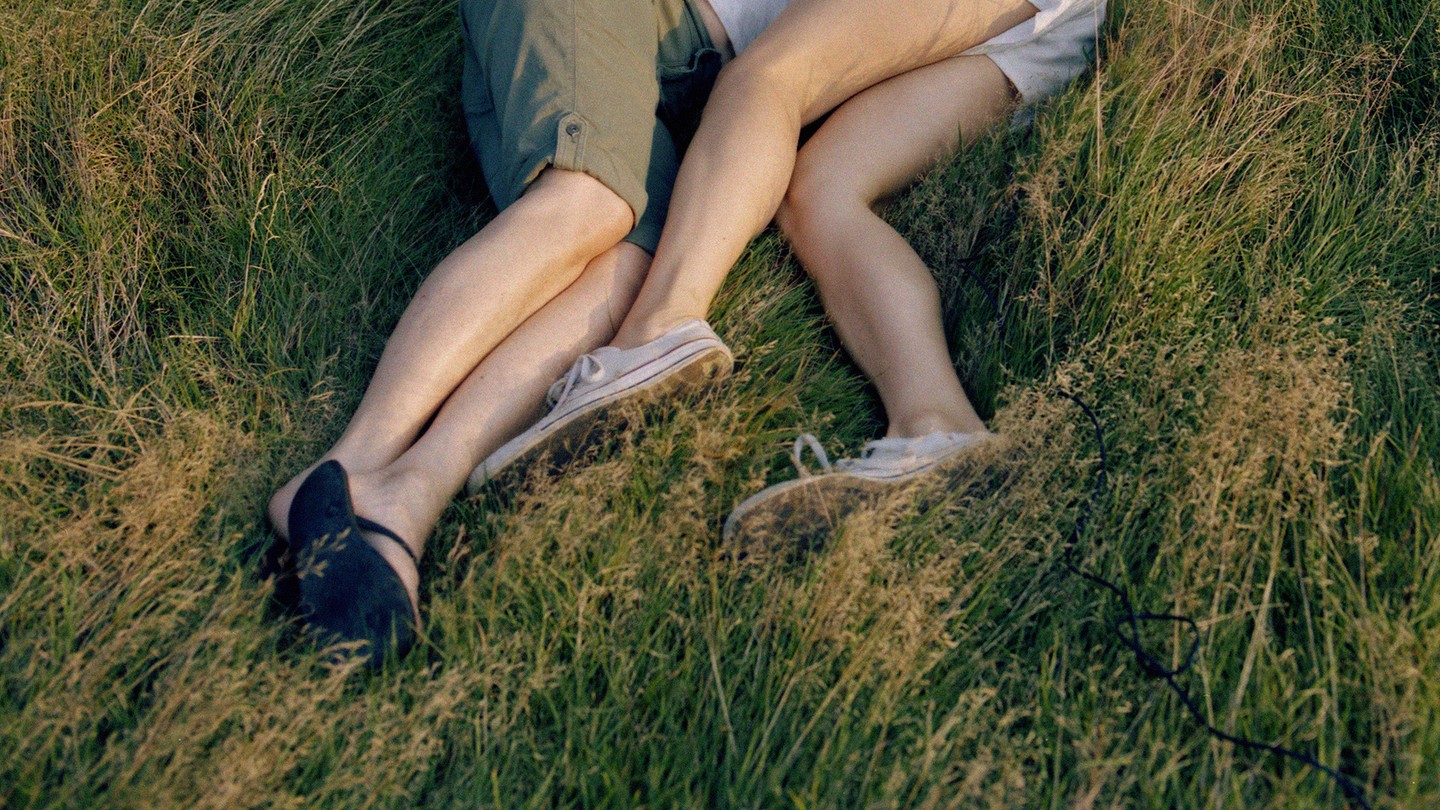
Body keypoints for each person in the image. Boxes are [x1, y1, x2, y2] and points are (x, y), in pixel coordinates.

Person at [276, 0, 1104, 667]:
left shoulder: (1071, 19)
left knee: (667, 245)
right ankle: (343, 470)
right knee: (594, 203)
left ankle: (404, 499)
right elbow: (775, 79)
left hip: (697, 72)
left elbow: (799, 136)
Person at [470, 0, 1106, 546]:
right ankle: (938, 427)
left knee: (770, 78)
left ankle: (658, 331)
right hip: (1061, 26)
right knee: (819, 192)